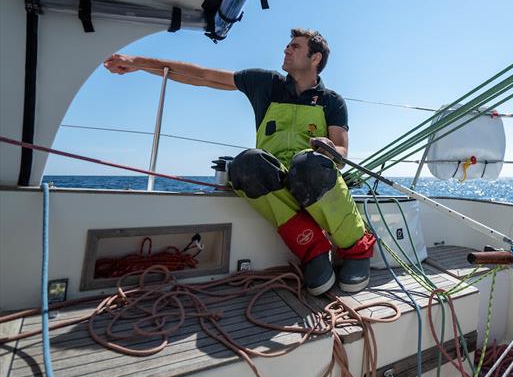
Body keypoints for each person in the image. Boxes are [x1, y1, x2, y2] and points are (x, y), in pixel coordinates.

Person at [103, 28, 375, 295]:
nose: (286, 49)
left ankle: (355, 248)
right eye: (287, 45)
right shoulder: (266, 84)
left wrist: (330, 149)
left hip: (311, 174)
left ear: (315, 58)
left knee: (309, 164)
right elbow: (202, 75)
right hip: (278, 178)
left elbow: (341, 153)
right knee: (246, 163)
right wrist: (138, 63)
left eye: (295, 46)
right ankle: (313, 249)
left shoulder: (332, 101)